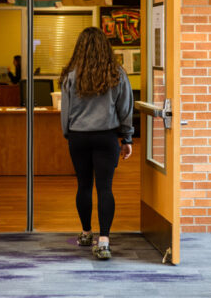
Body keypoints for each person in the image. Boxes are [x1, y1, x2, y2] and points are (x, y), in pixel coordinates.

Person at [59, 27, 134, 260]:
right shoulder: (117, 74)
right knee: (104, 188)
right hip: (107, 137)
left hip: (78, 137)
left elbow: (65, 110)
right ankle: (103, 241)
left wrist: (68, 134)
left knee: (83, 185)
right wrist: (127, 137)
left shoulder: (71, 75)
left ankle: (85, 233)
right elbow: (125, 108)